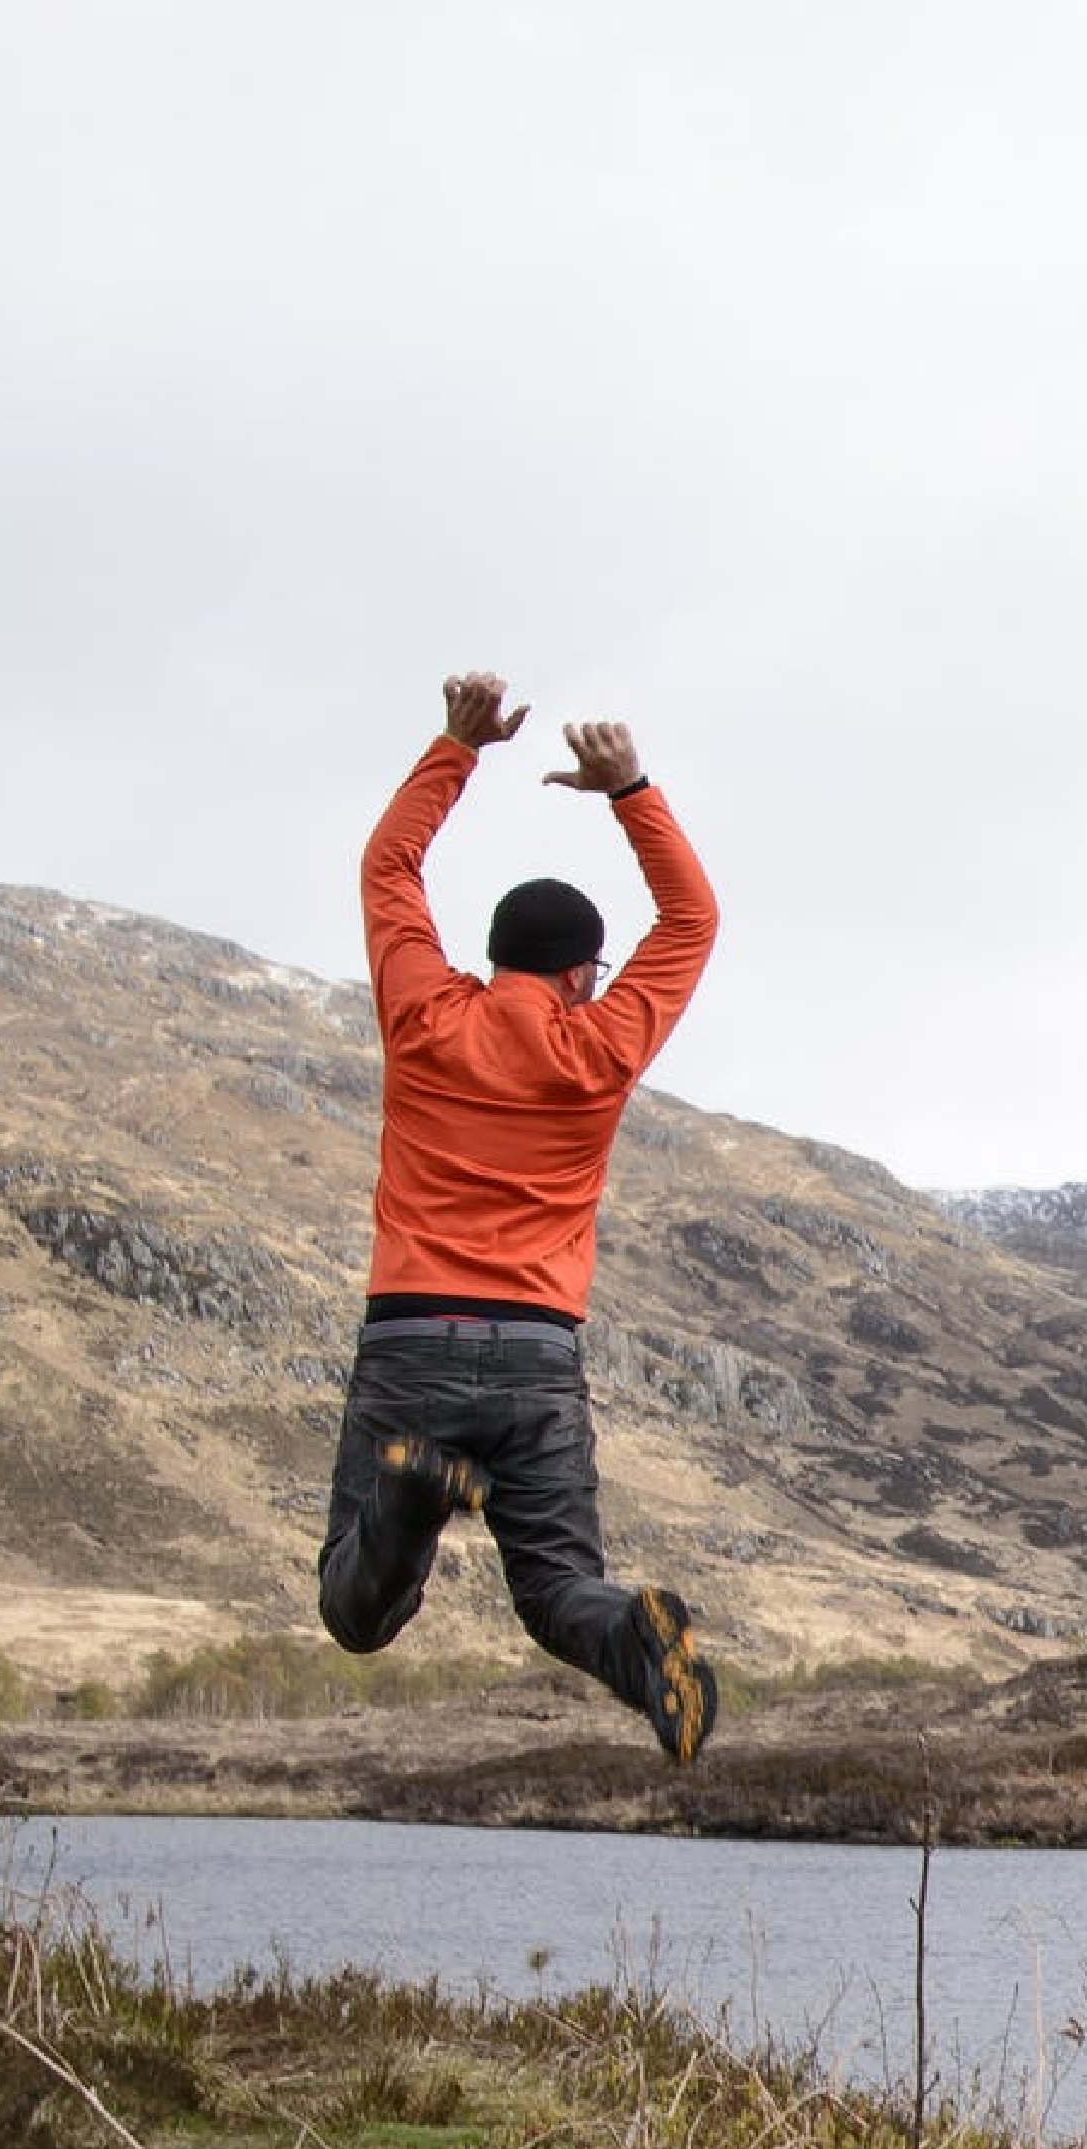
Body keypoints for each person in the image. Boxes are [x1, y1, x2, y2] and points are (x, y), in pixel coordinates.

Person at [313, 670, 724, 1760]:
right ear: (587, 975)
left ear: (493, 956)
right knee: (556, 1593)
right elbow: (693, 918)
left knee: (355, 1612)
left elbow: (387, 868)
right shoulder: (598, 1045)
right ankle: (639, 1645)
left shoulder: (424, 1012)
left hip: (409, 1340)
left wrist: (456, 747)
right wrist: (628, 788)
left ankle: (410, 1501)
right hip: (538, 1359)